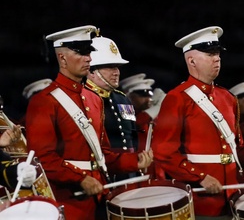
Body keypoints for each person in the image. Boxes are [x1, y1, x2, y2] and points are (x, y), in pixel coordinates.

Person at [151, 26, 244, 219]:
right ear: (191, 60)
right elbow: (163, 151)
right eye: (209, 54)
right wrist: (200, 177)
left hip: (233, 198)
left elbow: (236, 151)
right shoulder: (177, 98)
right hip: (200, 201)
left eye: (217, 54)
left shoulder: (227, 98)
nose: (217, 58)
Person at [25, 25, 153, 220]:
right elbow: (43, 158)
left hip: (100, 197)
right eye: (81, 52)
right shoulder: (44, 101)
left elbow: (104, 154)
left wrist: (133, 161)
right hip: (68, 200)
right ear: (62, 58)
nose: (88, 58)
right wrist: (81, 178)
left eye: (89, 52)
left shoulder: (93, 99)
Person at [86, 35, 137, 158]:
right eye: (110, 67)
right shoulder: (83, 99)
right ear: (92, 71)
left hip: (129, 170)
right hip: (104, 168)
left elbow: (133, 136)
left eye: (117, 67)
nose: (116, 72)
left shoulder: (122, 99)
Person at [120, 73, 166, 179]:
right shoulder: (124, 107)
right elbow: (134, 124)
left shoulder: (151, 114)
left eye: (149, 94)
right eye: (143, 94)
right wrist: (157, 107)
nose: (148, 98)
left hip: (155, 169)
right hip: (134, 168)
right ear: (129, 95)